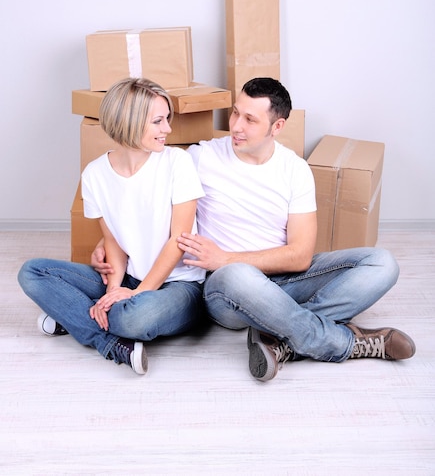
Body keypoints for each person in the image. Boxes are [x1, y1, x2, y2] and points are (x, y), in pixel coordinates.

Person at [93, 77, 416, 382]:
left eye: (250, 119)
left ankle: (281, 338)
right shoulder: (199, 158)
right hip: (226, 290)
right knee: (238, 274)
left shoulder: (295, 170)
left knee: (382, 263)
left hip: (281, 280)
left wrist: (225, 257)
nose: (235, 126)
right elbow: (144, 199)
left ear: (277, 126)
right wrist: (107, 242)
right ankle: (336, 342)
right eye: (235, 113)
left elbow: (301, 256)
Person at [18, 77, 206, 375]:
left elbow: (179, 241)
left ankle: (73, 317)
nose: (167, 129)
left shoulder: (177, 163)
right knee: (32, 272)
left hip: (180, 285)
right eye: (158, 121)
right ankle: (110, 342)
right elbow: (114, 243)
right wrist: (114, 290)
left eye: (167, 119)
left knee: (131, 318)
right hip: (129, 277)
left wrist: (139, 293)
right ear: (129, 122)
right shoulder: (94, 175)